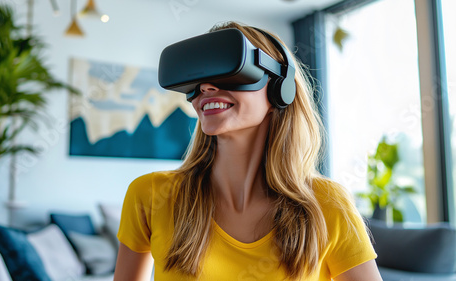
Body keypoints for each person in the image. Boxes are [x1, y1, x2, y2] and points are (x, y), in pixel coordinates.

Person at [114, 21, 383, 281]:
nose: (206, 87)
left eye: (229, 72)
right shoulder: (150, 195)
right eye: (200, 78)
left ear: (280, 88)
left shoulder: (326, 204)